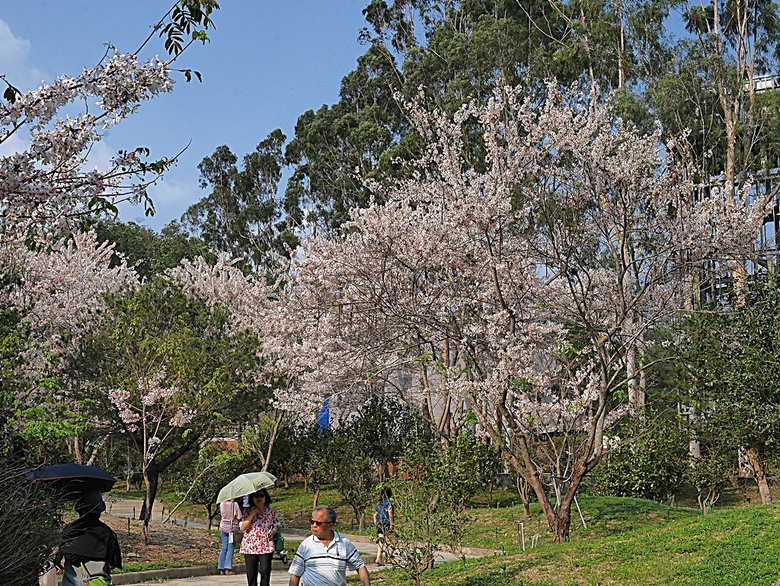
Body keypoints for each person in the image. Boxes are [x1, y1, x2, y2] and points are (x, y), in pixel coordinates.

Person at [288, 505, 371, 586]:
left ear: (330, 525)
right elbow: (295, 574)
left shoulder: (344, 543)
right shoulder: (306, 545)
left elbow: (360, 566)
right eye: (312, 522)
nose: (314, 525)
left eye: (318, 523)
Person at [56, 489, 122, 586]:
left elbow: (58, 555)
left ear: (79, 510)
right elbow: (113, 563)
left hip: (71, 582)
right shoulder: (107, 533)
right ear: (99, 511)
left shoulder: (70, 530)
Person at [239, 489, 280, 586]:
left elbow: (276, 525)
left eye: (261, 495)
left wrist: (273, 531)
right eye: (256, 496)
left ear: (266, 497)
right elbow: (243, 528)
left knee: (265, 571)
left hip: (266, 545)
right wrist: (251, 515)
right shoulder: (247, 511)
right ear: (252, 498)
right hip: (250, 546)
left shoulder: (271, 511)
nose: (259, 498)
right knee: (251, 573)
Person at [218, 498, 242, 575]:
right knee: (230, 548)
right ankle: (228, 568)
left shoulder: (222, 504)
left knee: (224, 548)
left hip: (223, 527)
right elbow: (239, 516)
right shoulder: (234, 504)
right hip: (232, 529)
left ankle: (221, 568)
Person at [372, 488, 394, 565]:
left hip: (379, 523)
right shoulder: (389, 503)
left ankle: (378, 558)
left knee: (381, 541)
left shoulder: (378, 503)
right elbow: (390, 513)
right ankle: (390, 557)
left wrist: (376, 523)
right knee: (393, 540)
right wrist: (391, 524)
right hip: (386, 522)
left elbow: (375, 515)